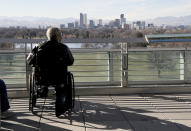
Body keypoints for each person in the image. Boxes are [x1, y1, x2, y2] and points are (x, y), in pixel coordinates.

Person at [27, 27, 74, 116]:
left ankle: (42, 91)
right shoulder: (64, 48)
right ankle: (63, 105)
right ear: (57, 36)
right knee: (65, 79)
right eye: (61, 35)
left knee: (44, 77)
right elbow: (71, 62)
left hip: (42, 79)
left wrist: (34, 50)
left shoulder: (39, 47)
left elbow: (29, 61)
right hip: (59, 79)